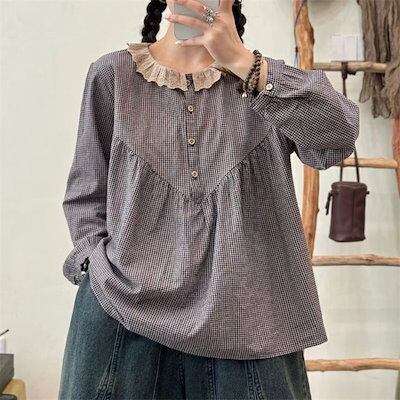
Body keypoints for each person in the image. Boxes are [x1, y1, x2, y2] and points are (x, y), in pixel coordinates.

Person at [58, 0, 360, 399]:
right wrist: (94, 265)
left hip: (252, 324)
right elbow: (86, 193)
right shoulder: (112, 76)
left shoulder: (263, 84)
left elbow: (338, 138)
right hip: (122, 319)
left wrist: (244, 63)